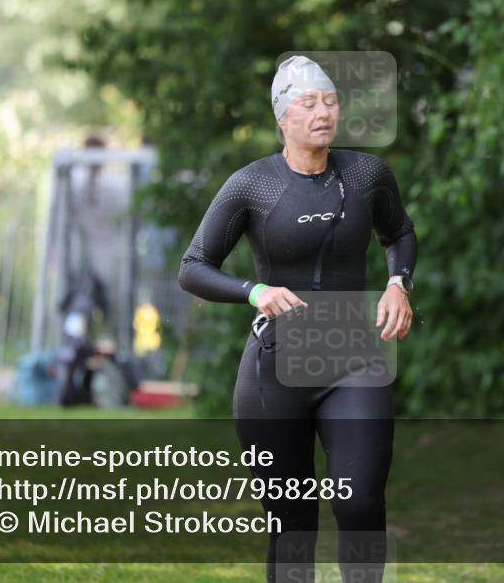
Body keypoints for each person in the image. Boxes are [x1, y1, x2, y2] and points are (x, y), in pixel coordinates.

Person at [178, 55, 417, 583]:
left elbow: (398, 233)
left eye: (330, 101)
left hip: (354, 359)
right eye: (308, 104)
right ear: (282, 117)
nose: (322, 112)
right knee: (293, 522)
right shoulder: (252, 185)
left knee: (359, 503)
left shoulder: (366, 175)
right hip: (274, 370)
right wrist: (254, 290)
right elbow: (193, 268)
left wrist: (398, 284)